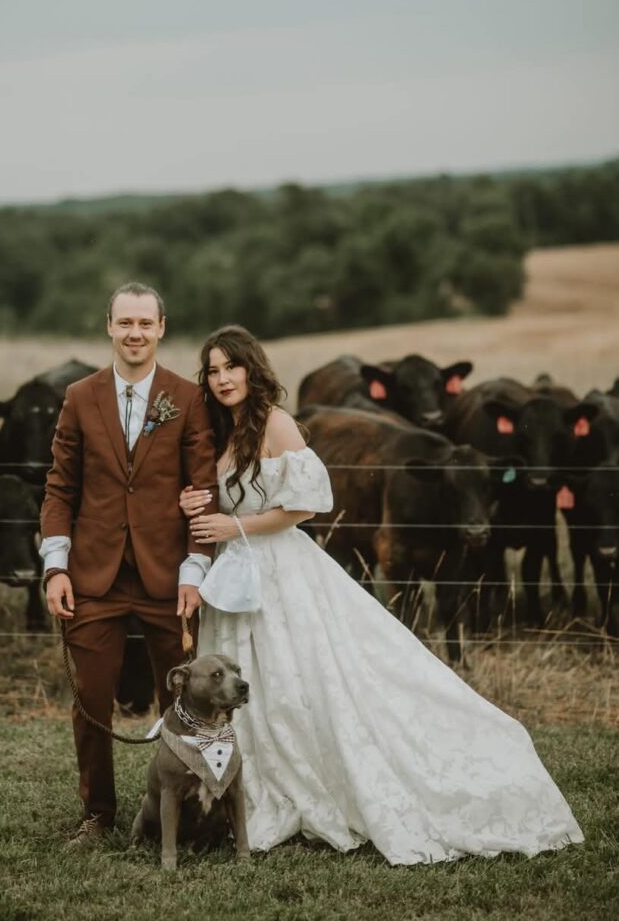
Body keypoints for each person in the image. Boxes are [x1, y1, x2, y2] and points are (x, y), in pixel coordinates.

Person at [180, 324, 584, 865]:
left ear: (252, 370)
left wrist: (236, 528)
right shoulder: (218, 431)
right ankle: (253, 791)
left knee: (311, 679)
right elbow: (222, 501)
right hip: (235, 577)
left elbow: (308, 504)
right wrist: (198, 508)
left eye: (232, 366)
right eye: (213, 369)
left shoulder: (275, 424)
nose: (223, 378)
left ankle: (320, 786)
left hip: (280, 568)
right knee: (259, 682)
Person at [40, 282, 218, 842]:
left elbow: (204, 488)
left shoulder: (188, 398)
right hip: (94, 577)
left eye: (145, 323)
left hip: (170, 578)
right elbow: (59, 489)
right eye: (125, 323)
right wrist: (56, 565)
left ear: (162, 327)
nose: (135, 334)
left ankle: (190, 813)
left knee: (188, 702)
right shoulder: (79, 396)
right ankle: (98, 814)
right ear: (109, 327)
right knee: (92, 698)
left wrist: (195, 569)